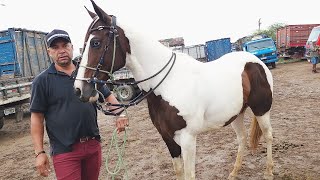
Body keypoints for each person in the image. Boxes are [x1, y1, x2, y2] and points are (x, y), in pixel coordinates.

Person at [30, 29, 129, 180]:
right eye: (55, 47)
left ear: (72, 47)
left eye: (65, 45)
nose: (61, 51)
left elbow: (108, 96)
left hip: (92, 145)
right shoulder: (42, 81)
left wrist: (120, 113)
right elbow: (37, 118)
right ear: (49, 51)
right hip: (65, 151)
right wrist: (39, 152)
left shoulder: (88, 73)